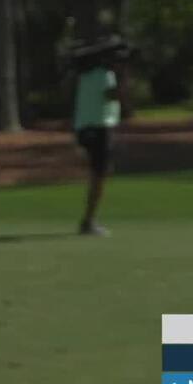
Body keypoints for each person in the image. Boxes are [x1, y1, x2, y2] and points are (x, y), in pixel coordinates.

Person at [71, 36, 125, 236]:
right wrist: (123, 77)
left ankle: (89, 219)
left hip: (83, 127)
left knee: (98, 172)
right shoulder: (106, 75)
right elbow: (113, 96)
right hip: (100, 127)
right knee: (99, 175)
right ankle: (88, 221)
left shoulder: (85, 75)